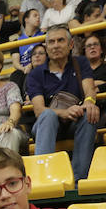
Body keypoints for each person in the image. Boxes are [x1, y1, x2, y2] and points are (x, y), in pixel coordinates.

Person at [26, 24, 100, 182]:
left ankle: (78, 179)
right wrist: (65, 112)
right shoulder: (36, 74)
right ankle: (43, 178)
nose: (56, 45)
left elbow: (89, 90)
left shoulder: (81, 63)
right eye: (51, 42)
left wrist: (88, 102)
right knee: (47, 115)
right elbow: (39, 110)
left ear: (71, 44)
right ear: (46, 47)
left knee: (90, 114)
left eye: (60, 40)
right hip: (45, 127)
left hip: (74, 123)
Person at [10, 8, 44, 93]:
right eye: (35, 16)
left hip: (39, 65)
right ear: (26, 20)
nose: (38, 18)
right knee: (15, 75)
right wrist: (23, 68)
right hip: (23, 70)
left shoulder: (43, 36)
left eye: (39, 16)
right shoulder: (16, 41)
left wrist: (31, 65)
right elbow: (15, 63)